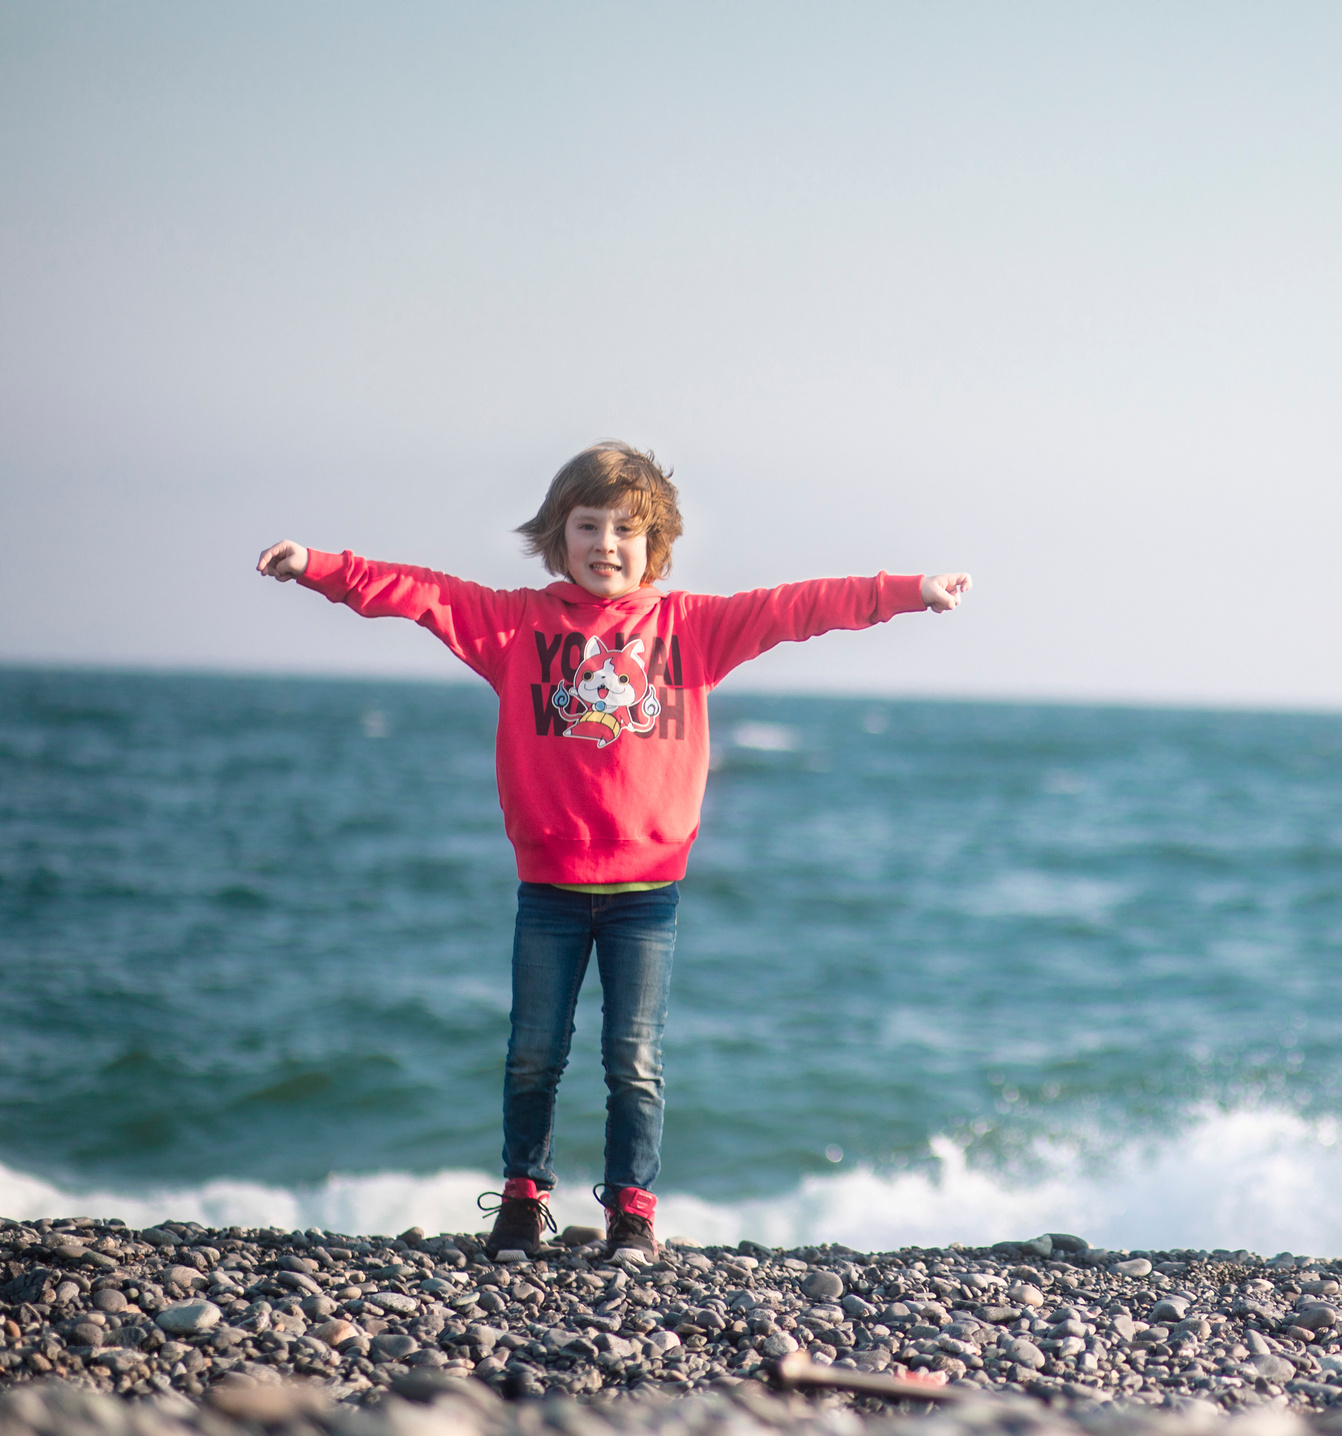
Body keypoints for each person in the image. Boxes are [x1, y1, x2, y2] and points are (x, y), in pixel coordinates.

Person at [252, 442, 970, 1261]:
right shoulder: (514, 624)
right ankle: (523, 1200)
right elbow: (418, 594)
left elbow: (797, 606)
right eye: (587, 525)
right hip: (550, 889)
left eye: (626, 529)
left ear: (654, 544)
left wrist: (910, 591)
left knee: (633, 1061)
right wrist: (317, 565)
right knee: (533, 1054)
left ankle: (632, 1213)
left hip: (647, 892)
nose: (605, 544)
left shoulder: (692, 628)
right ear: (557, 537)